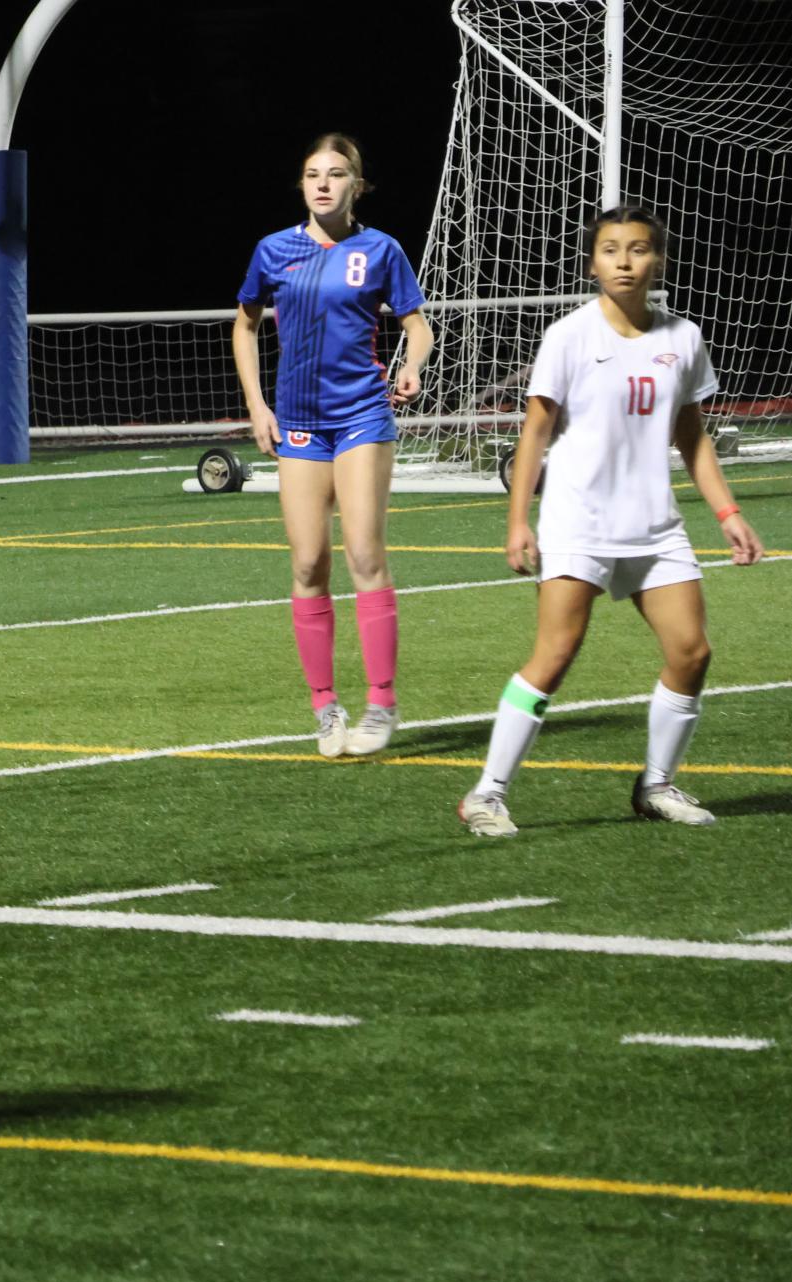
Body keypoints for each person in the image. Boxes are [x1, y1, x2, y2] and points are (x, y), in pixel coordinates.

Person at [458, 205, 764, 837]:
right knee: (554, 656)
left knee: (692, 651)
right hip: (579, 522)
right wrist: (519, 522)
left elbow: (694, 438)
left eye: (639, 249)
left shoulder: (683, 338)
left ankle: (656, 784)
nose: (625, 261)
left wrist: (728, 512)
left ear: (659, 260)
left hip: (655, 527)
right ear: (594, 262)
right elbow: (534, 433)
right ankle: (486, 794)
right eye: (611, 250)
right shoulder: (569, 336)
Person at [232, 134, 435, 757]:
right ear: (302, 186)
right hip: (298, 423)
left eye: (337, 174)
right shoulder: (274, 250)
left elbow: (416, 324)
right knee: (306, 563)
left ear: (357, 185)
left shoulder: (380, 250)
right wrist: (257, 405)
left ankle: (381, 702)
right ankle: (325, 707)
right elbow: (243, 327)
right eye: (313, 174)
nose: (323, 183)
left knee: (365, 552)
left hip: (362, 416)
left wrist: (412, 365)